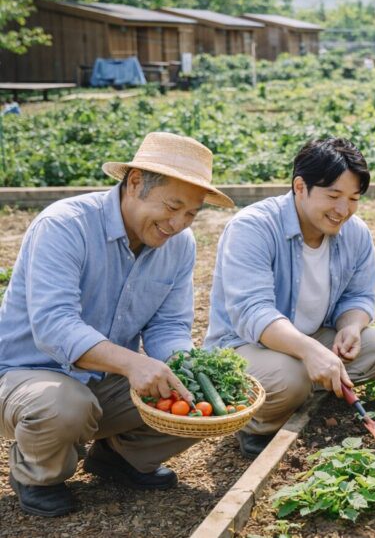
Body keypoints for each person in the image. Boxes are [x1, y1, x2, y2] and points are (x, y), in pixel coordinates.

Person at [0, 132, 233, 517]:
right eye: (173, 206)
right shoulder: (65, 225)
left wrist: (186, 368)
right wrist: (131, 363)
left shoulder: (179, 245)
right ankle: (37, 474)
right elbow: (54, 326)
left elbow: (169, 326)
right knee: (62, 406)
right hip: (26, 375)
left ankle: (119, 458)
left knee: (197, 403)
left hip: (102, 380)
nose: (178, 223)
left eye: (191, 213)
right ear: (136, 182)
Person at [205, 138, 375, 458]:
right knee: (290, 378)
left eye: (353, 198)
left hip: (308, 338)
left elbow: (358, 295)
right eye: (333, 195)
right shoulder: (253, 227)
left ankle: (301, 393)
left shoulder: (355, 233)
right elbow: (252, 311)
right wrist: (310, 352)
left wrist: (351, 326)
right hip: (244, 346)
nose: (343, 210)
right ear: (299, 187)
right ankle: (255, 425)